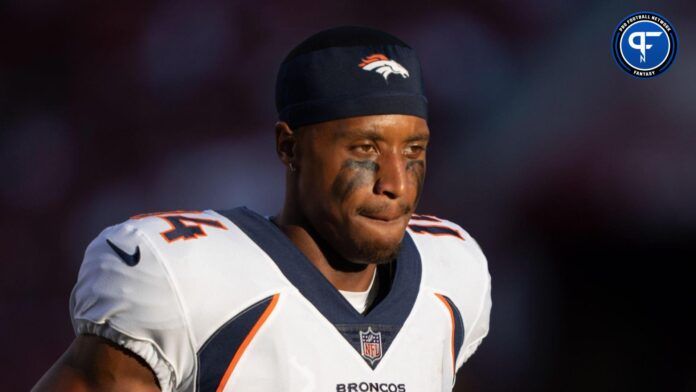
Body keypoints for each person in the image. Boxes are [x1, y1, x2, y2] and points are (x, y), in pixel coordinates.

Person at [33, 26, 491, 392]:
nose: (395, 182)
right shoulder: (188, 280)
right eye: (364, 149)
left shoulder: (451, 274)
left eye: (413, 151)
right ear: (289, 147)